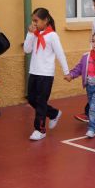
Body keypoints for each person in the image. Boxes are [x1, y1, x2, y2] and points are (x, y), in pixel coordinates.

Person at [23, 8, 69, 141]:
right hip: (34, 72)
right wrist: (30, 34)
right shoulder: (35, 34)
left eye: (36, 20)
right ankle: (54, 113)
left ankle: (40, 129)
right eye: (33, 20)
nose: (34, 23)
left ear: (45, 20)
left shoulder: (52, 36)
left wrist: (66, 72)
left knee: (41, 102)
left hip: (46, 74)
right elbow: (27, 50)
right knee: (32, 99)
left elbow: (60, 54)